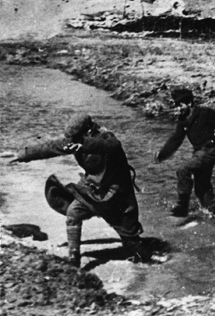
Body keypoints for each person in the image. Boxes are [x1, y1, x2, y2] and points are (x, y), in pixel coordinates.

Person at [10, 113, 149, 267]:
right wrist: (23, 155)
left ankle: (154, 262)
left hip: (116, 196)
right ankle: (73, 258)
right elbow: (52, 147)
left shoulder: (106, 138)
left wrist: (84, 145)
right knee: (73, 213)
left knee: (132, 244)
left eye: (78, 137)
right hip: (92, 190)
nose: (73, 142)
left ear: (88, 131)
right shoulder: (75, 141)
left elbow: (113, 146)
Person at [155, 88, 215, 217]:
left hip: (210, 151)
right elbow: (176, 140)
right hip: (199, 153)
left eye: (180, 105)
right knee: (201, 189)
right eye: (176, 106)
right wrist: (162, 155)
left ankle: (183, 206)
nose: (178, 109)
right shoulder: (182, 120)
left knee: (183, 170)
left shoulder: (205, 113)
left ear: (190, 103)